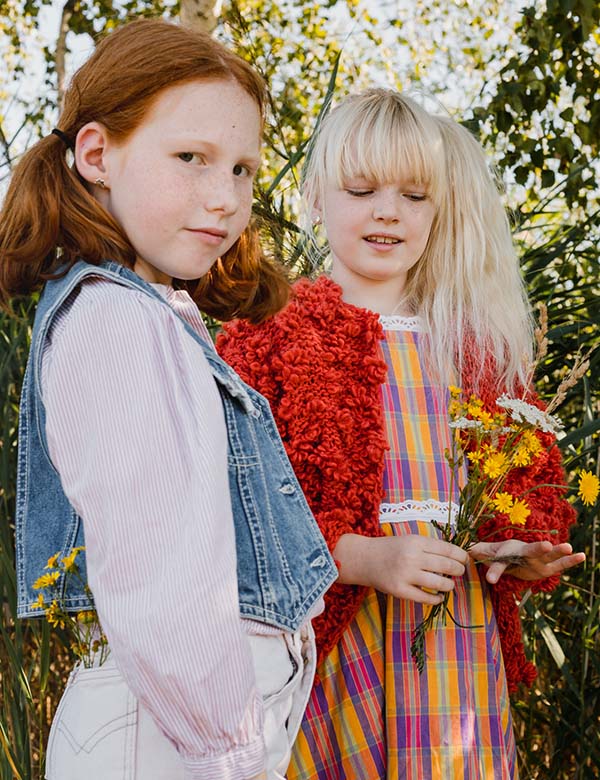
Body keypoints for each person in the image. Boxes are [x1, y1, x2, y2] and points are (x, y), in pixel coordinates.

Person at [0, 19, 337, 780]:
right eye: (192, 158)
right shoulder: (115, 321)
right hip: (170, 741)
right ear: (97, 154)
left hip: (176, 733)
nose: (224, 198)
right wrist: (232, 754)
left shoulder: (150, 314)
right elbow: (162, 583)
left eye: (244, 170)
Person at [217, 89, 585, 779]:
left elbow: (534, 483)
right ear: (315, 199)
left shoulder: (477, 349)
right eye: (361, 189)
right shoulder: (267, 338)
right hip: (335, 651)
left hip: (457, 659)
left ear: (439, 209)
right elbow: (239, 516)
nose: (388, 210)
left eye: (414, 195)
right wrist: (360, 558)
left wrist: (522, 543)